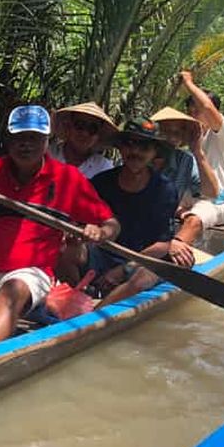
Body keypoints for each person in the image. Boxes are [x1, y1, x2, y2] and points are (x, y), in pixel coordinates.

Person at [0, 105, 119, 348]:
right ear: (8, 140)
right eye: (19, 138)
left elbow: (112, 224)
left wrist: (99, 232)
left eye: (34, 138)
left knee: (13, 292)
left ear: (47, 141)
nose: (26, 145)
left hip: (30, 271)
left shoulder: (68, 179)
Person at [84, 119, 179, 309]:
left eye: (144, 146)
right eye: (130, 144)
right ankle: (76, 296)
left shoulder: (164, 189)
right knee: (69, 251)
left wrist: (123, 269)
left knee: (142, 281)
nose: (135, 152)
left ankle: (93, 316)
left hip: (142, 260)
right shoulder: (101, 182)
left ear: (154, 153)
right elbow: (86, 222)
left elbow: (163, 244)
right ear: (120, 148)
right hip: (102, 254)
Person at [170, 71, 224, 267]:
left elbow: (207, 106)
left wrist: (188, 82)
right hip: (194, 197)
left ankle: (174, 253)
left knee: (193, 219)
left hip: (221, 201)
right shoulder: (190, 138)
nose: (192, 115)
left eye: (197, 111)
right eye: (190, 111)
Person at [150, 106, 219, 211]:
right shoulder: (138, 156)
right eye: (166, 132)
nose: (172, 138)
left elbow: (211, 193)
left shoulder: (185, 160)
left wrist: (198, 152)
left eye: (177, 133)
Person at [50, 102, 117, 179]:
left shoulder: (103, 168)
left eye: (92, 129)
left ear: (98, 135)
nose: (85, 133)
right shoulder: (48, 155)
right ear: (68, 127)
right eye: (80, 125)